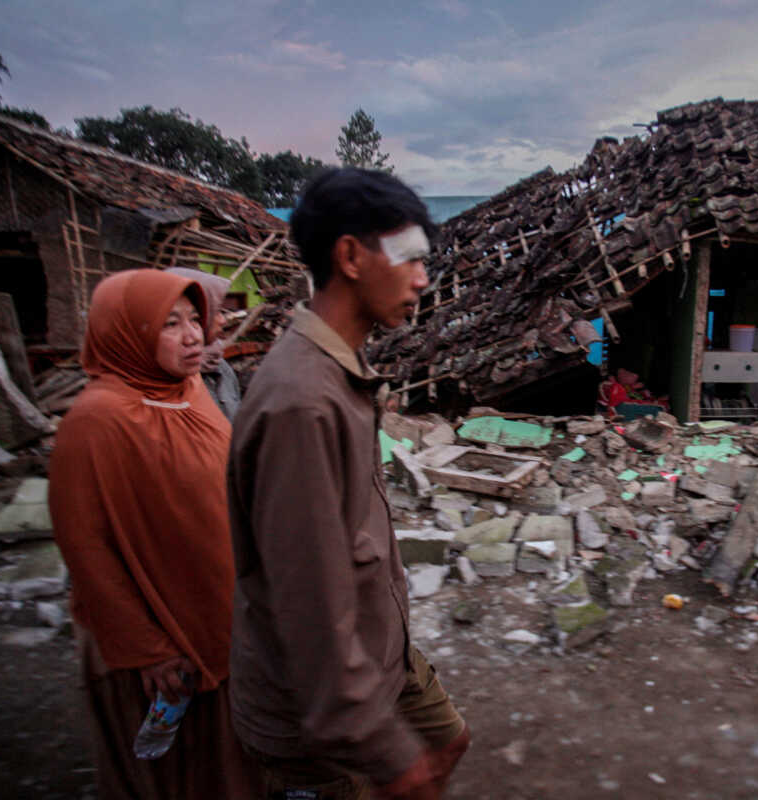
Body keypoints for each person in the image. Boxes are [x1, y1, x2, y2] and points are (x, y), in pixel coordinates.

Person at [227, 168, 470, 799]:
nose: (423, 279)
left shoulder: (343, 372)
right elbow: (309, 606)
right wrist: (386, 750)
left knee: (449, 740)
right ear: (350, 256)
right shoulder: (303, 404)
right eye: (409, 258)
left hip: (381, 655)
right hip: (316, 718)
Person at [48, 268, 262, 799]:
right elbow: (86, 548)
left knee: (226, 762)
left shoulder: (189, 391)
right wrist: (148, 649)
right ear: (130, 331)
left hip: (217, 616)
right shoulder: (98, 421)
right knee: (171, 774)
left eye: (195, 320)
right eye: (170, 324)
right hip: (162, 640)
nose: (195, 336)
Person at [167, 267, 242, 422]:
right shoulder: (167, 377)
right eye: (216, 311)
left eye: (193, 319)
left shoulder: (220, 367)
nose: (223, 320)